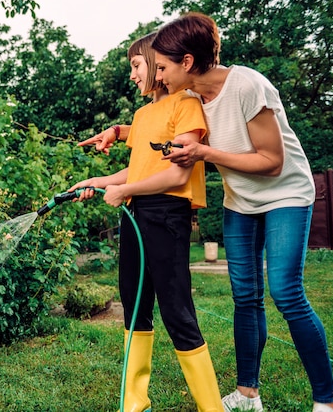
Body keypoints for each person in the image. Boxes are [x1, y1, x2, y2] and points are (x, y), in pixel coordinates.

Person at [81, 12, 333, 412]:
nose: (158, 75)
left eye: (162, 66)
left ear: (187, 63)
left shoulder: (249, 85)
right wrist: (118, 132)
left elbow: (272, 161)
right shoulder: (191, 97)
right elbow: (160, 128)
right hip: (241, 199)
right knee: (245, 297)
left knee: (285, 292)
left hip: (286, 193)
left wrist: (203, 153)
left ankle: (326, 400)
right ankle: (248, 393)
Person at [71, 32, 224, 412]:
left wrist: (125, 191)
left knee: (176, 311)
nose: (134, 75)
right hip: (138, 215)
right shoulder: (141, 115)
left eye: (137, 66)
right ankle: (134, 403)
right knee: (134, 304)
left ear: (159, 65)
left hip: (168, 214)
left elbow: (176, 176)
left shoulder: (186, 105)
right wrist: (100, 182)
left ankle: (212, 407)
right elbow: (137, 167)